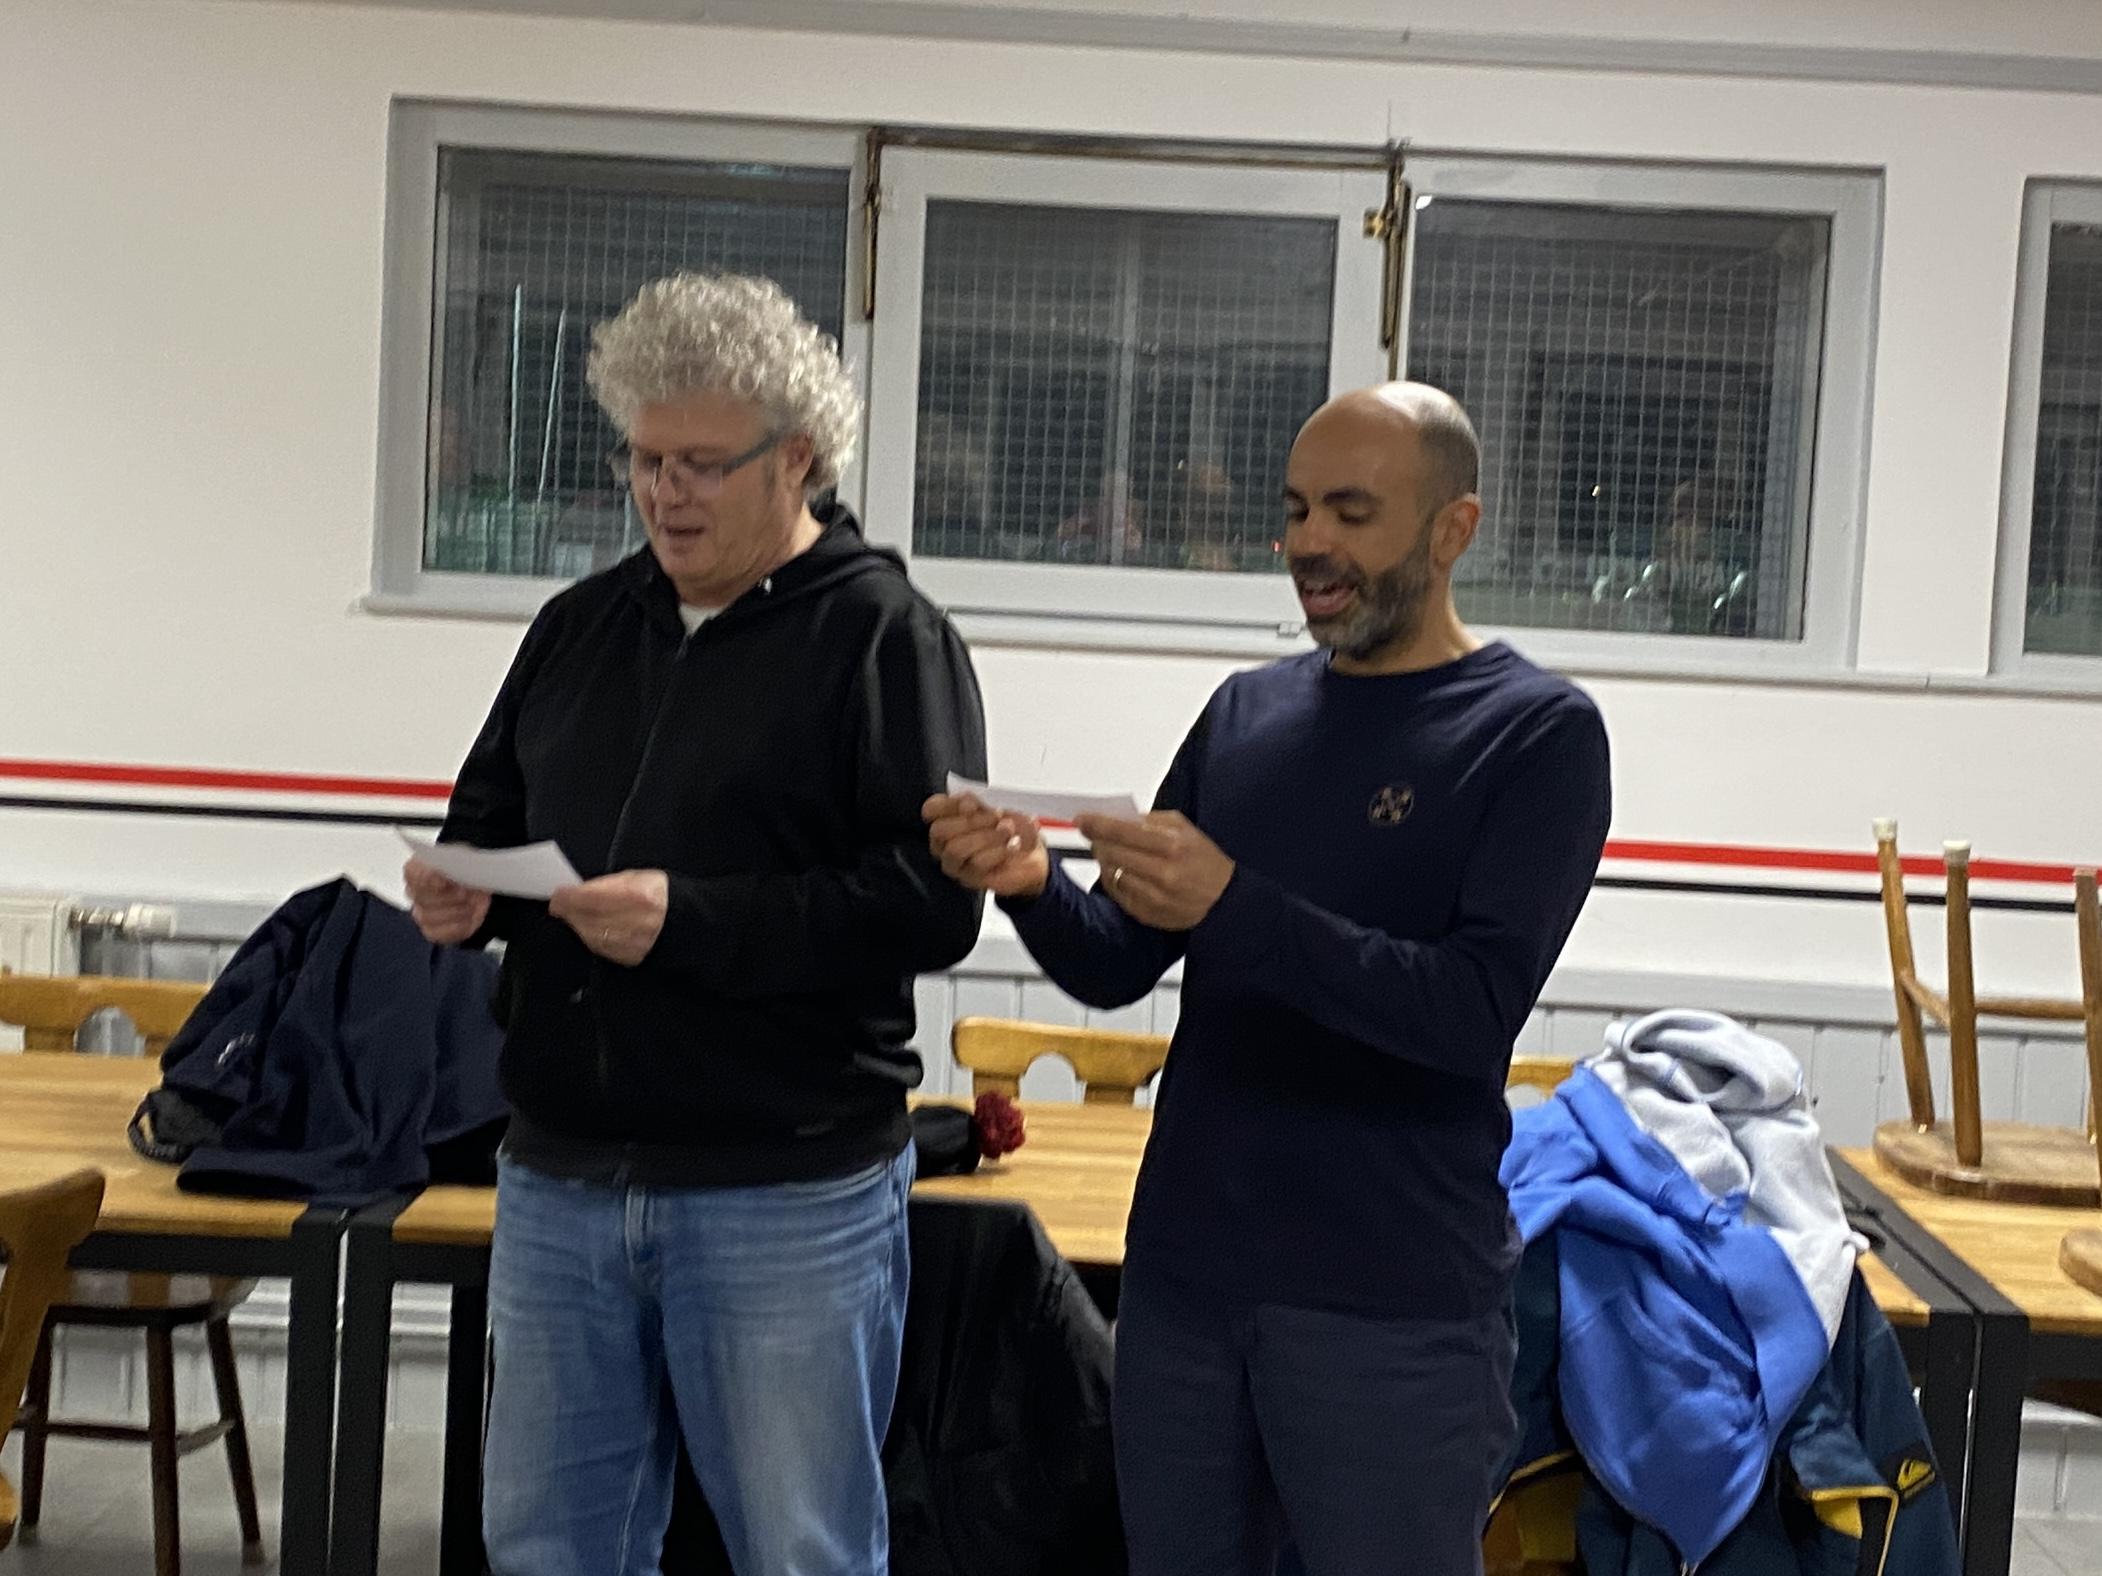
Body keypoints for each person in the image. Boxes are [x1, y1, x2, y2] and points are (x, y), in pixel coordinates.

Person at [925, 382, 1612, 1576]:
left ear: (1452, 530)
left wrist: (1234, 904)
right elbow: (1116, 959)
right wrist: (1031, 884)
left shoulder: (1534, 734)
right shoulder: (1246, 712)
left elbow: (1465, 1013)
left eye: (1351, 512)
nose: (1308, 543)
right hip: (1187, 1290)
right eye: (1295, 511)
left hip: (1389, 1309)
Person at [405, 272, 988, 1576]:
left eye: (701, 465)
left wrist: (693, 922)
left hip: (785, 1187)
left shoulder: (885, 639)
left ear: (798, 459)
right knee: (547, 1546)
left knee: (798, 1549)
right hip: (559, 1173)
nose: (664, 493)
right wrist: (465, 896)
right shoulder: (578, 628)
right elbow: (488, 819)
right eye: (643, 459)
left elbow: (932, 902)